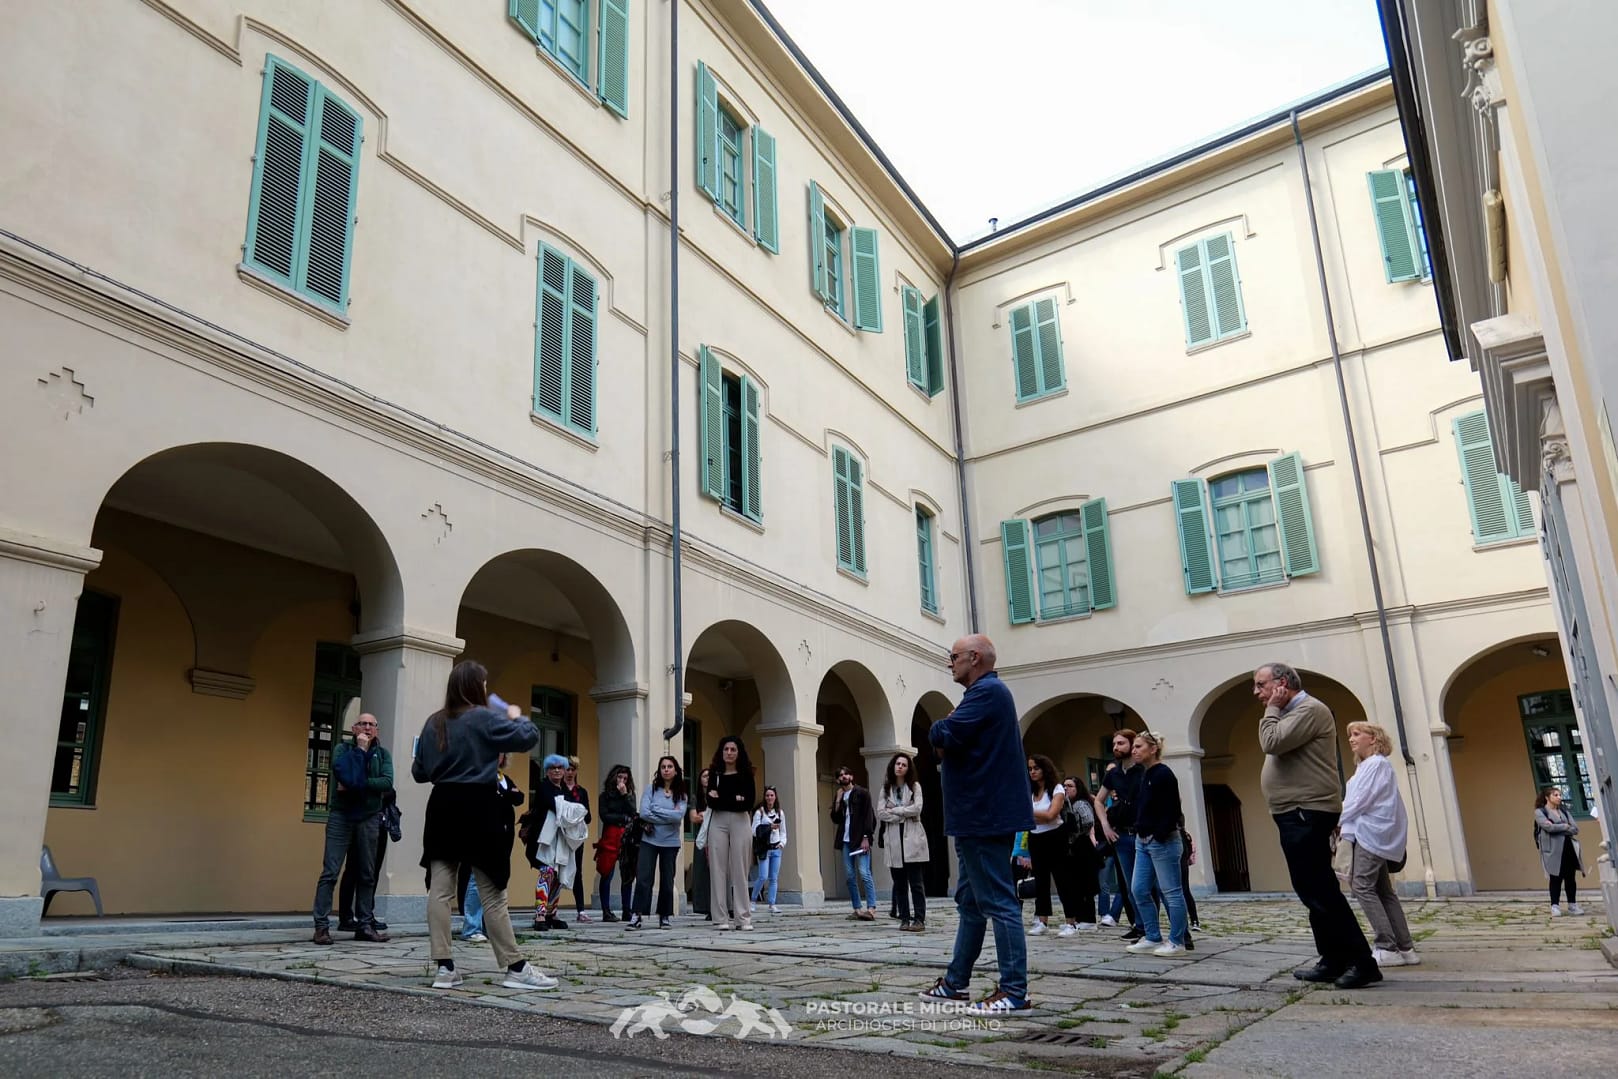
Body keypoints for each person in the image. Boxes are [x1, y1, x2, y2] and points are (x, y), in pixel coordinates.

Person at [411, 661, 555, 992]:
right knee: (492, 891)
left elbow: (420, 772)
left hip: (443, 806)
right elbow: (529, 737)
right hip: (478, 805)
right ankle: (515, 967)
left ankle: (444, 968)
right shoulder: (484, 716)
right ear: (476, 686)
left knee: (441, 890)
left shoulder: (434, 722)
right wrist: (516, 714)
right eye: (484, 683)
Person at [919, 634, 1035, 1015]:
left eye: (953, 656)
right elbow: (946, 737)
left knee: (1000, 902)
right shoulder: (982, 695)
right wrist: (946, 730)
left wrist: (943, 728)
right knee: (970, 903)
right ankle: (956, 982)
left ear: (975, 657)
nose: (949, 663)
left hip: (983, 816)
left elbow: (942, 734)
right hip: (974, 817)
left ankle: (1014, 991)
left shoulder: (987, 693)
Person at [1256, 662, 1379, 989]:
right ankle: (1332, 958)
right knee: (1312, 890)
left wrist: (1271, 708)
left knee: (1320, 891)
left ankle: (1362, 962)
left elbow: (1271, 742)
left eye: (1261, 685)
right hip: (1294, 812)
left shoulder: (1309, 709)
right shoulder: (1291, 712)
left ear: (1282, 684)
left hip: (1305, 811)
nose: (1257, 693)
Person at [1340, 722, 1418, 967]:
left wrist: (1334, 818)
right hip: (1373, 833)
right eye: (1350, 735)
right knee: (1384, 891)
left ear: (1373, 739)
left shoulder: (1376, 764)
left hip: (1371, 833)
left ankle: (1387, 946)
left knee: (1362, 886)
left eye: (1356, 734)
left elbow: (1360, 801)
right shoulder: (1366, 767)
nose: (1351, 739)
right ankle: (1405, 948)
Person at [312, 713, 393, 945]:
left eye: (371, 724)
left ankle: (365, 925)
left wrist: (358, 783)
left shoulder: (383, 754)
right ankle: (321, 927)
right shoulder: (342, 750)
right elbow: (343, 775)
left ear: (376, 729)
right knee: (330, 872)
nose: (367, 727)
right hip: (341, 816)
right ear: (354, 728)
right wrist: (359, 751)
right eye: (362, 723)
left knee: (367, 873)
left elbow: (387, 782)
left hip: (368, 818)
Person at [1122, 732, 1192, 957]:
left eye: (1139, 746)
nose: (1134, 750)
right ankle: (1152, 936)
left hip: (1162, 841)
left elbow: (1172, 809)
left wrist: (1158, 834)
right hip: (1142, 841)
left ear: (1153, 749)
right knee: (1139, 889)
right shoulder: (1145, 775)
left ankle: (1177, 941)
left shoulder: (1164, 774)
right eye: (1133, 747)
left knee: (1171, 892)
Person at [1094, 729, 1153, 941]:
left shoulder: (1143, 769)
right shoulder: (1113, 773)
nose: (1115, 747)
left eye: (1121, 743)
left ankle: (1176, 931)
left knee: (1155, 886)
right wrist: (1105, 825)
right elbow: (1098, 800)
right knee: (1130, 887)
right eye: (1113, 744)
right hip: (1121, 836)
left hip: (1144, 834)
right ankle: (1141, 926)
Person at [460, 754, 524, 943]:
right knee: (476, 881)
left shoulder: (503, 778)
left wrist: (506, 793)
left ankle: (491, 926)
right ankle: (471, 927)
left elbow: (519, 796)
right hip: (483, 834)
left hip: (503, 837)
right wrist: (507, 794)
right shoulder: (479, 775)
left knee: (496, 881)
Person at [1026, 755, 1084, 938]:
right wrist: (1037, 815)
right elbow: (1025, 816)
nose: (1033, 772)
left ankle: (1071, 922)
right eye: (1030, 768)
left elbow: (1052, 814)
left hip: (1054, 837)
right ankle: (1042, 920)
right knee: (1040, 880)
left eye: (1036, 768)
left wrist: (1030, 814)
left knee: (1062, 878)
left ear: (1045, 769)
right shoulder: (1030, 791)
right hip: (1035, 837)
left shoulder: (1057, 788)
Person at [628, 755, 688, 930]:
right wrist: (668, 815)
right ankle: (637, 915)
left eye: (670, 766)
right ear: (659, 770)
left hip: (670, 843)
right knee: (643, 878)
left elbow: (678, 817)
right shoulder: (651, 790)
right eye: (663, 767)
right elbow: (645, 813)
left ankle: (664, 916)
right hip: (650, 840)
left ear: (675, 771)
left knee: (667, 880)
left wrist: (657, 811)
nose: (666, 770)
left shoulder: (681, 794)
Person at [705, 736, 757, 931]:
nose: (729, 752)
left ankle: (743, 918)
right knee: (717, 868)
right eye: (726, 749)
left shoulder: (746, 774)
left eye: (733, 749)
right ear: (721, 751)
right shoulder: (714, 773)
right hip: (718, 821)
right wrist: (734, 798)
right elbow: (710, 802)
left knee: (740, 869)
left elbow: (748, 802)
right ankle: (720, 918)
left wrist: (721, 797)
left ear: (739, 752)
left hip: (741, 821)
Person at [876, 753, 930, 932]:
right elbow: (881, 813)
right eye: (897, 764)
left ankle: (919, 919)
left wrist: (896, 810)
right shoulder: (886, 789)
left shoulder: (914, 787)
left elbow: (917, 809)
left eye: (904, 764)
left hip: (912, 837)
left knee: (916, 882)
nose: (900, 767)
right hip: (893, 838)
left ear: (908, 769)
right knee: (899, 883)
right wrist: (903, 813)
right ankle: (904, 919)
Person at [522, 754, 573, 931]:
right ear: (547, 771)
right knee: (547, 873)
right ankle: (540, 914)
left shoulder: (565, 789)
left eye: (560, 767)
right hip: (543, 842)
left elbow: (577, 810)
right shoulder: (544, 787)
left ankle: (552, 913)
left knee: (558, 876)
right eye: (553, 768)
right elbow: (557, 807)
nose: (557, 770)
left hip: (560, 842)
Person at [337, 789, 394, 934]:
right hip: (360, 822)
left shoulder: (382, 771)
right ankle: (346, 917)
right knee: (352, 870)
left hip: (380, 825)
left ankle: (367, 915)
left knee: (372, 872)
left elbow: (389, 791)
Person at [830, 764, 878, 920]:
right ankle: (857, 909)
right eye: (840, 775)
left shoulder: (862, 793)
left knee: (864, 873)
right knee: (850, 876)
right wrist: (837, 799)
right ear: (838, 780)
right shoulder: (840, 796)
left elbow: (869, 817)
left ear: (851, 776)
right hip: (845, 840)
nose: (843, 776)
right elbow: (835, 819)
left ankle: (871, 908)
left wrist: (866, 837)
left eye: (846, 774)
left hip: (860, 839)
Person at [594, 764, 637, 921]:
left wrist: (625, 795)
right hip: (610, 835)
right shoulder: (604, 796)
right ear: (614, 778)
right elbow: (605, 816)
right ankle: (606, 911)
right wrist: (621, 818)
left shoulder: (630, 795)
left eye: (625, 778)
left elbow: (633, 813)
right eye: (620, 777)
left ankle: (627, 909)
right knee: (606, 872)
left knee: (627, 874)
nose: (622, 781)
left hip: (626, 836)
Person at [1535, 786, 1585, 916]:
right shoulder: (1540, 812)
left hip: (1568, 847)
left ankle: (1572, 905)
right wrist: (1565, 826)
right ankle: (1555, 906)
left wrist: (1561, 828)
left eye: (1559, 795)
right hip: (1553, 850)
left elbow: (1575, 829)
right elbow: (1548, 827)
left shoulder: (1564, 811)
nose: (1559, 798)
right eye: (1555, 795)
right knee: (1555, 878)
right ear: (1547, 798)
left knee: (1570, 878)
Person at [1062, 775, 1101, 929]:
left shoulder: (1079, 804)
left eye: (1070, 785)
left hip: (1082, 846)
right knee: (1075, 884)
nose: (1066, 788)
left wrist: (1076, 833)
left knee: (1085, 883)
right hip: (1073, 848)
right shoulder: (1067, 804)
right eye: (1064, 785)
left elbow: (1088, 820)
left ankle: (1088, 919)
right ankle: (1079, 917)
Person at [560, 758, 594, 922]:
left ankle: (581, 910)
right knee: (557, 870)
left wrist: (578, 813)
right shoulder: (559, 789)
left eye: (572, 769)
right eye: (567, 769)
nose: (569, 772)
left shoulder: (582, 792)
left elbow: (588, 818)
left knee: (577, 871)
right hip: (561, 834)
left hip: (577, 837)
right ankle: (550, 908)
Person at [751, 786, 788, 914]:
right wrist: (769, 827)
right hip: (764, 849)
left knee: (773, 878)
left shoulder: (780, 813)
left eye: (772, 795)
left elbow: (783, 831)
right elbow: (754, 831)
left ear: (775, 797)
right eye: (767, 795)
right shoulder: (759, 812)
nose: (769, 798)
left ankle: (772, 904)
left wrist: (782, 843)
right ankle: (753, 900)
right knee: (762, 876)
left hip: (776, 848)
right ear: (764, 797)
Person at [690, 768, 711, 919]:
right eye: (704, 776)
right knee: (702, 872)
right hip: (701, 838)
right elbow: (694, 818)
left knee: (716, 872)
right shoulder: (695, 797)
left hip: (716, 836)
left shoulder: (716, 795)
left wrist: (705, 815)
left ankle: (718, 906)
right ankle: (704, 907)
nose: (707, 778)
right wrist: (706, 816)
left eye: (710, 776)